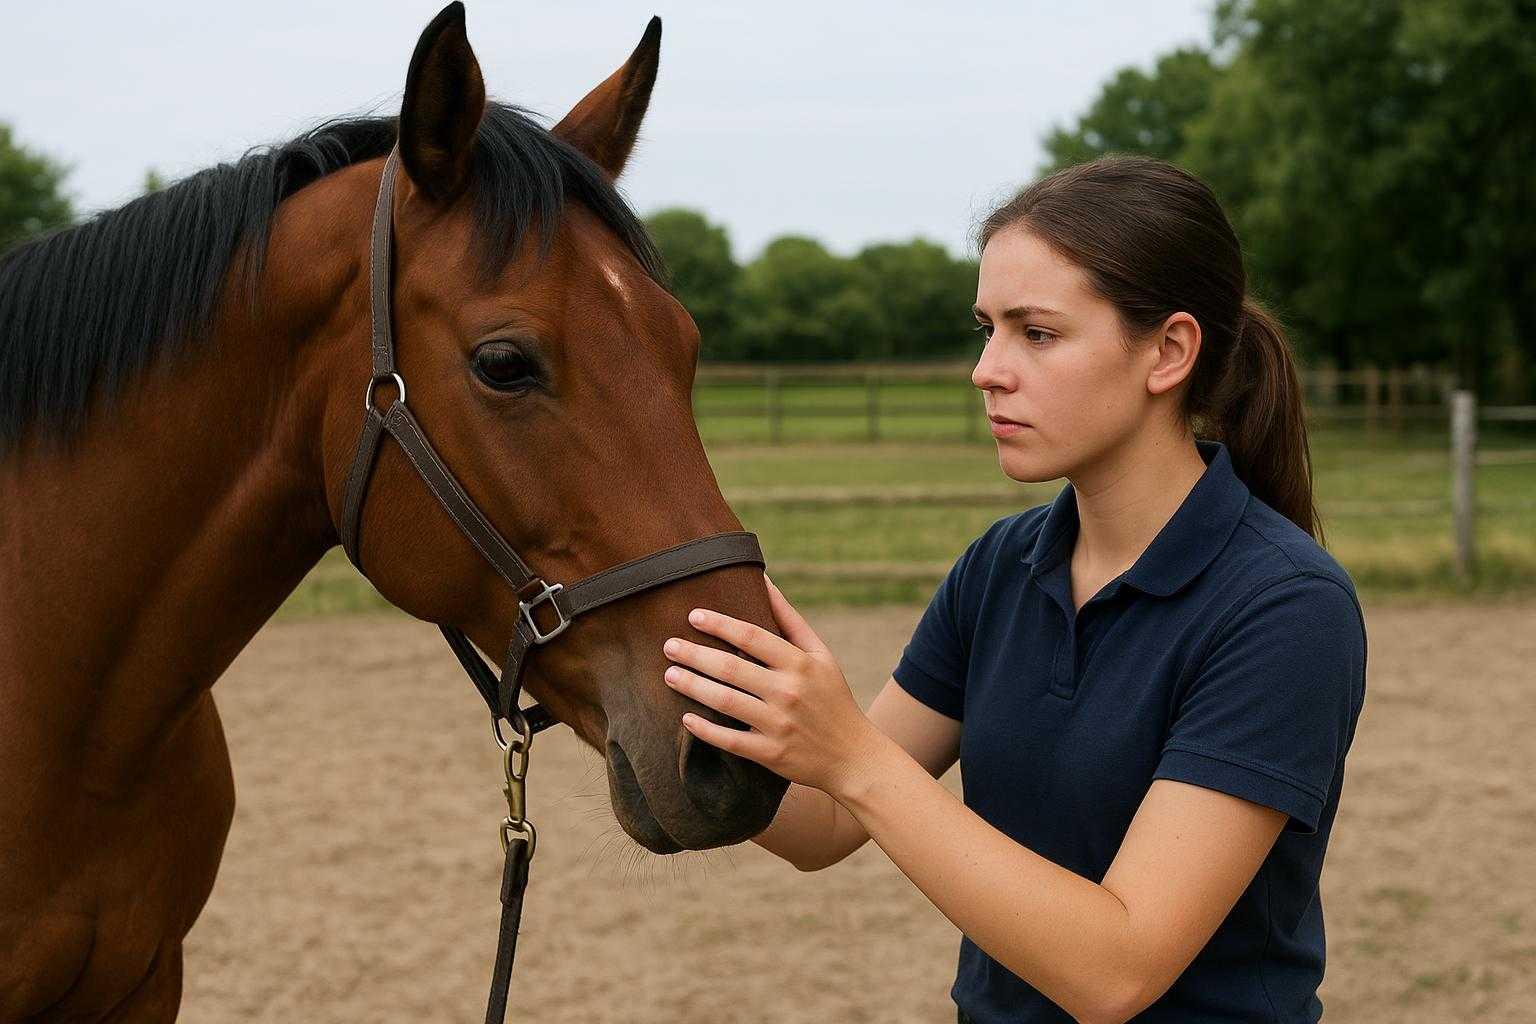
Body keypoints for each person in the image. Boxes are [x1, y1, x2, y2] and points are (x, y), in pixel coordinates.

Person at [659, 155, 1368, 1024]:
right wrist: (661, 688)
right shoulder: (1001, 566)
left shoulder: (1285, 607)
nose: (986, 369)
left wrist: (851, 751)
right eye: (985, 327)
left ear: (1169, 352)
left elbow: (1118, 969)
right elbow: (822, 825)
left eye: (1036, 333)